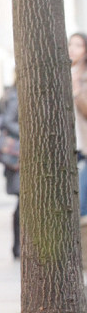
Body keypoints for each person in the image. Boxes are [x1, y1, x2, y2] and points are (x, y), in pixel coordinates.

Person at [0, 82, 21, 258]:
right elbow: (8, 121)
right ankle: (17, 246)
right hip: (18, 156)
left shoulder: (11, 94)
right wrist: (30, 132)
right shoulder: (15, 95)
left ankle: (18, 245)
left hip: (19, 156)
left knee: (23, 201)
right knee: (23, 201)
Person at [70, 32, 87, 217]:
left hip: (84, 147)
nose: (73, 49)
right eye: (71, 44)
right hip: (69, 146)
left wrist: (77, 92)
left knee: (81, 204)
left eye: (79, 45)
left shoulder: (83, 77)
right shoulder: (63, 73)